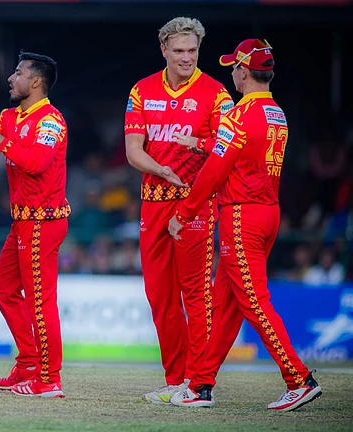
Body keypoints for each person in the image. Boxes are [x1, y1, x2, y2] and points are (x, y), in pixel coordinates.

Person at [169, 39, 322, 412]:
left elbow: (216, 172)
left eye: (233, 67)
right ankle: (201, 385)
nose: (232, 73)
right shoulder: (276, 113)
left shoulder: (237, 116)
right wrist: (205, 143)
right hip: (267, 212)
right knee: (225, 304)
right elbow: (244, 153)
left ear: (242, 71)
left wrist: (184, 212)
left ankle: (298, 379)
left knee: (253, 301)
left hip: (240, 216)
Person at [124, 16, 233, 404]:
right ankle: (176, 379)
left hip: (195, 201)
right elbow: (133, 149)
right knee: (160, 296)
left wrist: (199, 144)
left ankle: (200, 383)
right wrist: (161, 169)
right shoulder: (142, 90)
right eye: (179, 50)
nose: (187, 58)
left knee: (196, 295)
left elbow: (227, 150)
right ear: (164, 50)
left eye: (193, 51)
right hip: (152, 202)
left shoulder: (217, 93)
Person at [0, 52, 68, 398]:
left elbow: (38, 163)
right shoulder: (11, 116)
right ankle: (29, 362)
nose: (11, 78)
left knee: (41, 301)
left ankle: (49, 378)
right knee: (2, 288)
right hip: (23, 222)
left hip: (44, 221)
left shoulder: (51, 121)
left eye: (18, 72)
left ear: (36, 82)